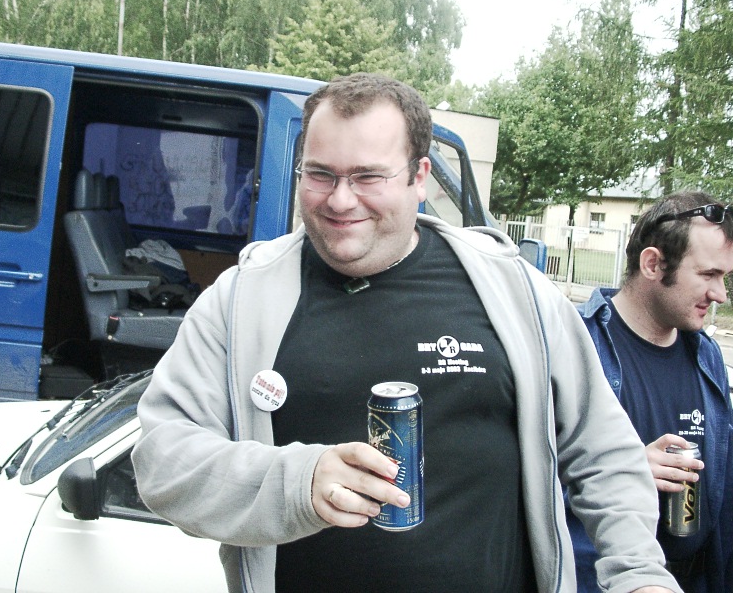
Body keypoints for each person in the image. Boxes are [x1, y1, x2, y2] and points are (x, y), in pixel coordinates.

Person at [132, 72, 679, 593]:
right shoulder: (242, 299)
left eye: (368, 177)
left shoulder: (513, 291)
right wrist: (296, 481)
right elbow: (162, 461)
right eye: (320, 174)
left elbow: (602, 449)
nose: (340, 199)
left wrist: (637, 571)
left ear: (419, 177)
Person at [567, 191, 733, 592]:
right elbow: (528, 475)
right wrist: (622, 469)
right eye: (708, 275)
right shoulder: (575, 345)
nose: (720, 295)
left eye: (724, 278)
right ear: (653, 264)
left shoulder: (706, 355)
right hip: (599, 580)